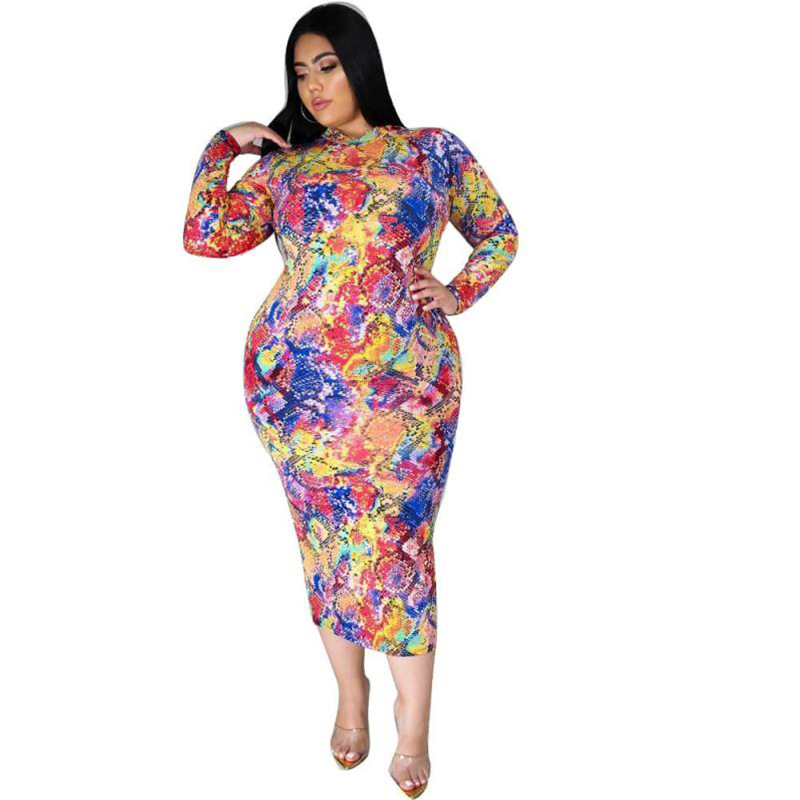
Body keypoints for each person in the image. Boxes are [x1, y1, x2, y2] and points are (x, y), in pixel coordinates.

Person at [182, 4, 518, 796]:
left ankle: (414, 724)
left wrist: (459, 290)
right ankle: (350, 696)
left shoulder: (431, 151)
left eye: (327, 66)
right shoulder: (288, 168)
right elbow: (205, 235)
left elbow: (500, 232)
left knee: (399, 548)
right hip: (298, 395)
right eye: (301, 73)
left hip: (410, 390)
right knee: (328, 543)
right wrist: (223, 146)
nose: (313, 85)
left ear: (361, 63)